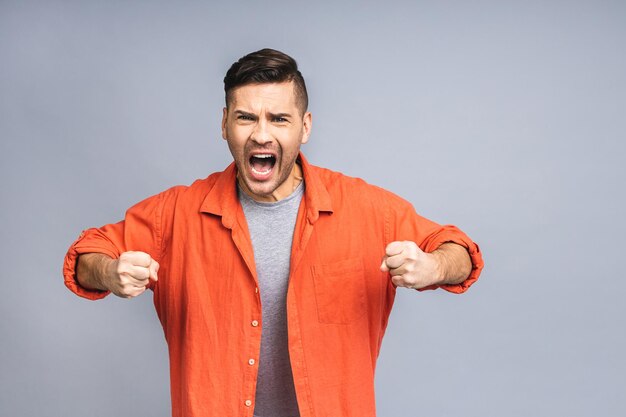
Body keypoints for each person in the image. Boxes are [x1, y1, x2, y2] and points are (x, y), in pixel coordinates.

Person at [63, 48, 484, 417]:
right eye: (246, 117)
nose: (261, 134)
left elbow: (460, 252)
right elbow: (86, 256)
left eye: (278, 118)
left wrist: (432, 266)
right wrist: (109, 272)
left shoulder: (366, 208)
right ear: (225, 123)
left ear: (305, 126)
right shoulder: (176, 213)